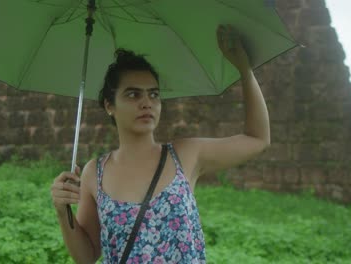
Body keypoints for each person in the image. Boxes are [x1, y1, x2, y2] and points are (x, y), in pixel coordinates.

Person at [51, 24, 270, 263]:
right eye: (133, 94)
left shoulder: (186, 154)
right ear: (109, 105)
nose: (147, 103)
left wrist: (244, 70)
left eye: (153, 94)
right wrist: (64, 213)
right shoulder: (95, 173)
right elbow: (87, 256)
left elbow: (257, 139)